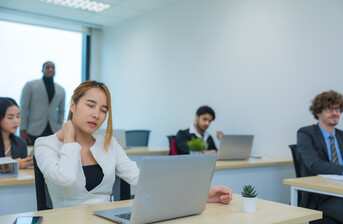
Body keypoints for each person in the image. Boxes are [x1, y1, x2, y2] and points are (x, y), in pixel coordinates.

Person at [35, 81, 232, 209]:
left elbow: (143, 179)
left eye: (104, 110)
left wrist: (202, 194)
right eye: (90, 105)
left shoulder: (108, 143)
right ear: (72, 105)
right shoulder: (45, 144)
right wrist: (69, 137)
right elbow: (67, 178)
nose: (97, 114)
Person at [297, 90, 343, 224]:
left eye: (337, 109)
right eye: (329, 109)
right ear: (318, 112)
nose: (334, 112)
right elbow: (315, 165)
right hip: (322, 197)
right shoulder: (306, 134)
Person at [20, 61, 65, 145]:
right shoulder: (30, 85)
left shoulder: (61, 90)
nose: (51, 69)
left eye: (53, 68)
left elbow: (62, 111)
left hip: (53, 131)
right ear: (42, 70)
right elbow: (24, 108)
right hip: (34, 130)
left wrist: (60, 127)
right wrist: (22, 128)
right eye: (48, 67)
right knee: (32, 156)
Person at [0, 98, 33, 168]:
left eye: (18, 116)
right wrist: (12, 165)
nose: (16, 121)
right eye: (10, 117)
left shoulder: (21, 143)